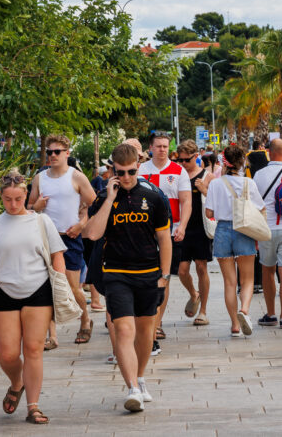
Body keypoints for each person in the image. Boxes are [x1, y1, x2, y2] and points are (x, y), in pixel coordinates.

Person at [84, 143, 172, 411]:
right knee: (123, 328)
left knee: (145, 332)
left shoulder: (154, 196)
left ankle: (140, 376)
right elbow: (93, 234)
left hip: (148, 273)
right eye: (120, 172)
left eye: (131, 172)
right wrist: (110, 199)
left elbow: (164, 238)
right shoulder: (103, 197)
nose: (125, 178)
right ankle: (132, 387)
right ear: (112, 169)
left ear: (138, 166)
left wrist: (164, 276)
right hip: (116, 272)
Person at [0, 169, 66, 424]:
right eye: (8, 200)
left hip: (38, 289)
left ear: (26, 194)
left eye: (18, 199)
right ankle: (17, 382)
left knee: (34, 349)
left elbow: (57, 256)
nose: (13, 204)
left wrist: (60, 286)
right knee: (6, 354)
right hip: (4, 291)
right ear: (1, 198)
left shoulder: (42, 222)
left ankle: (33, 406)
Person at [29, 135, 96, 345]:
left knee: (72, 286)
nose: (52, 156)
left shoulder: (77, 177)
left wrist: (81, 224)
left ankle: (85, 320)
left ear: (67, 153)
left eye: (57, 152)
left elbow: (94, 204)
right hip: (46, 237)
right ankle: (52, 336)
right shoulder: (40, 178)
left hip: (70, 237)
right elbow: (28, 208)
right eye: (49, 152)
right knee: (47, 286)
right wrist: (36, 207)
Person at [205, 145, 266, 337]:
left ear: (224, 162)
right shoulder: (249, 183)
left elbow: (209, 213)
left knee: (229, 283)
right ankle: (245, 310)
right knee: (247, 279)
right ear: (242, 163)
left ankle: (234, 324)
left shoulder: (215, 183)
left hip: (223, 230)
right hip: (244, 229)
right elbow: (261, 208)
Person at [138, 132, 191, 353]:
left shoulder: (178, 171)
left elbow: (186, 200)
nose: (161, 149)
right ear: (150, 148)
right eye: (158, 146)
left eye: (165, 146)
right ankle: (149, 321)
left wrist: (182, 226)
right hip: (146, 232)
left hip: (171, 230)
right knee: (147, 275)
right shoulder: (141, 171)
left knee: (164, 276)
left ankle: (157, 323)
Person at [253, 138, 282, 329]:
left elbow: (254, 204)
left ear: (269, 152)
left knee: (267, 270)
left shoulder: (259, 175)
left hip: (266, 228)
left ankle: (271, 314)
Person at [176, 140, 213, 326]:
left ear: (196, 157)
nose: (182, 164)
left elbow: (217, 203)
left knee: (201, 267)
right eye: (179, 160)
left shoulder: (207, 176)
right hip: (182, 227)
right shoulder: (176, 175)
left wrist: (204, 189)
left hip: (200, 228)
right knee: (182, 271)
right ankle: (194, 294)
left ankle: (204, 311)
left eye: (186, 160)